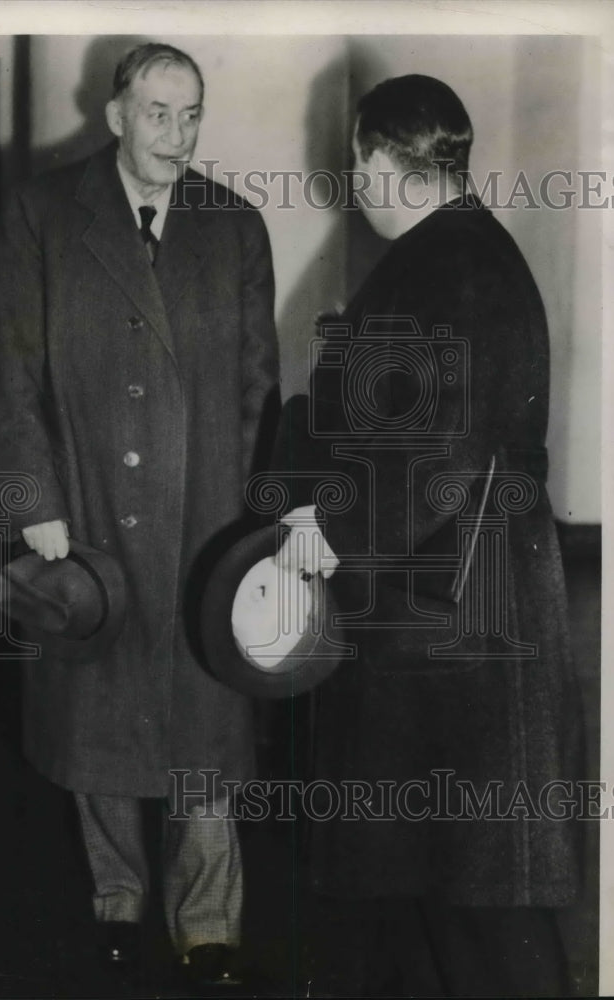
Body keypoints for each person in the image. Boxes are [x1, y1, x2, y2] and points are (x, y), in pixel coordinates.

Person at [0, 43, 279, 989]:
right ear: (114, 115)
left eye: (191, 115)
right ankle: (116, 900)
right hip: (89, 512)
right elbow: (6, 371)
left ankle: (208, 922)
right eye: (156, 113)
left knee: (205, 728)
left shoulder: (235, 226)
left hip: (203, 523)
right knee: (97, 716)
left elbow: (258, 387)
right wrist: (35, 504)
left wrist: (250, 525)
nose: (176, 135)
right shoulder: (41, 213)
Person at [274, 75, 584, 996]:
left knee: (474, 893)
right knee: (436, 877)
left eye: (354, 162)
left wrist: (330, 528)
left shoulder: (441, 265)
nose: (352, 181)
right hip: (451, 594)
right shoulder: (464, 249)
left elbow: (437, 449)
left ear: (376, 159)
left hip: (450, 612)